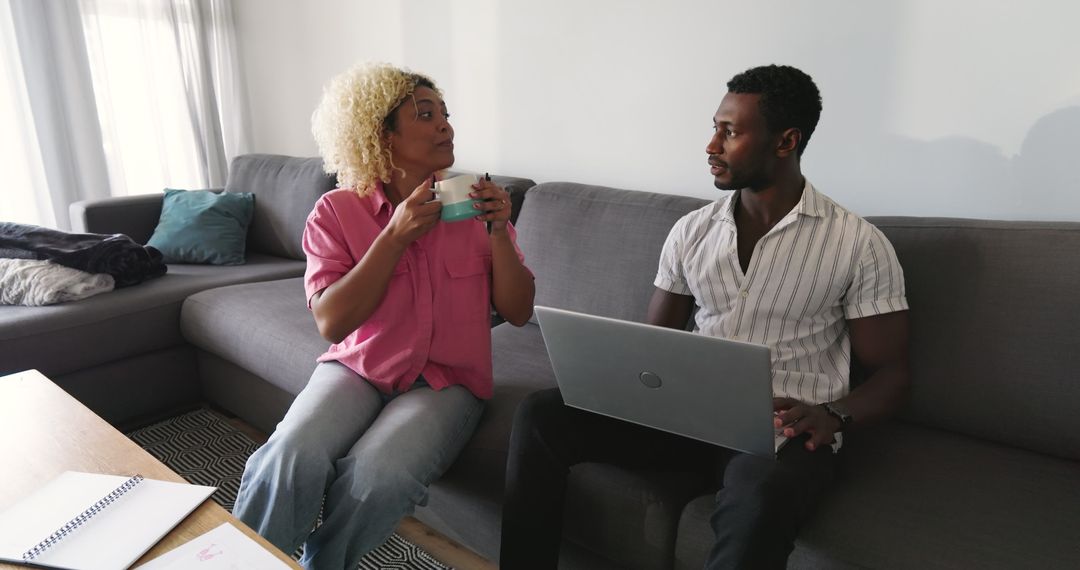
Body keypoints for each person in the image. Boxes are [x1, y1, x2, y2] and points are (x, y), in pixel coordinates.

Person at [499, 64, 909, 569]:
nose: (711, 145)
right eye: (715, 128)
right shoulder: (691, 231)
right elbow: (654, 345)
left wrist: (835, 415)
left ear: (786, 142)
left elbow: (892, 376)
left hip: (780, 434)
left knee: (760, 497)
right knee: (542, 414)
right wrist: (609, 377)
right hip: (685, 416)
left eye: (729, 132)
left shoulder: (858, 244)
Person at [233, 62, 535, 570]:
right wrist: (393, 237)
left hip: (446, 382)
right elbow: (331, 323)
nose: (446, 126)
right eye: (425, 115)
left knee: (379, 477)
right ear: (380, 134)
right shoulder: (335, 211)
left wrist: (500, 232)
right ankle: (241, 561)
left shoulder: (473, 204)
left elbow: (519, 311)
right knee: (289, 456)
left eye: (445, 114)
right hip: (359, 368)